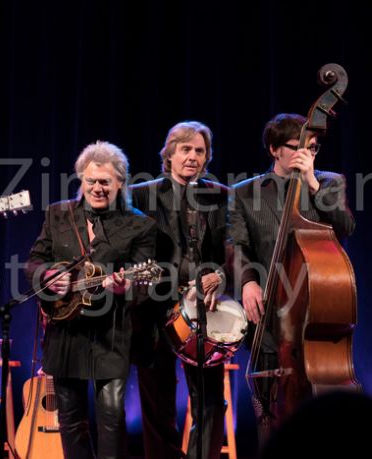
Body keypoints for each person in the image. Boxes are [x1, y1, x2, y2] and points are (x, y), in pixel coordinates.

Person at [25, 141, 157, 459]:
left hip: (111, 337)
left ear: (120, 184)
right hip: (65, 334)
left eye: (105, 183)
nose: (97, 188)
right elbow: (33, 262)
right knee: (70, 421)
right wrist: (45, 276)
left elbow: (146, 284)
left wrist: (126, 288)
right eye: (91, 181)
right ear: (81, 180)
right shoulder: (58, 214)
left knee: (111, 420)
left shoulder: (140, 225)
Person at [227, 113, 356, 438]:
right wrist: (248, 282)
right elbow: (238, 245)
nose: (308, 154)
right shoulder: (245, 192)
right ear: (274, 149)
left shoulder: (329, 182)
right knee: (273, 414)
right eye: (299, 147)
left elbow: (346, 227)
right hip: (273, 315)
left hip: (318, 308)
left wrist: (312, 183)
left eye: (313, 147)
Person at [130, 121, 230, 459]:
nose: (192, 157)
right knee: (157, 403)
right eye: (185, 149)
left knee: (211, 400)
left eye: (199, 151)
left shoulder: (219, 196)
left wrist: (219, 273)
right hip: (153, 310)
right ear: (169, 154)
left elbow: (233, 248)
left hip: (204, 312)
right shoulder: (142, 194)